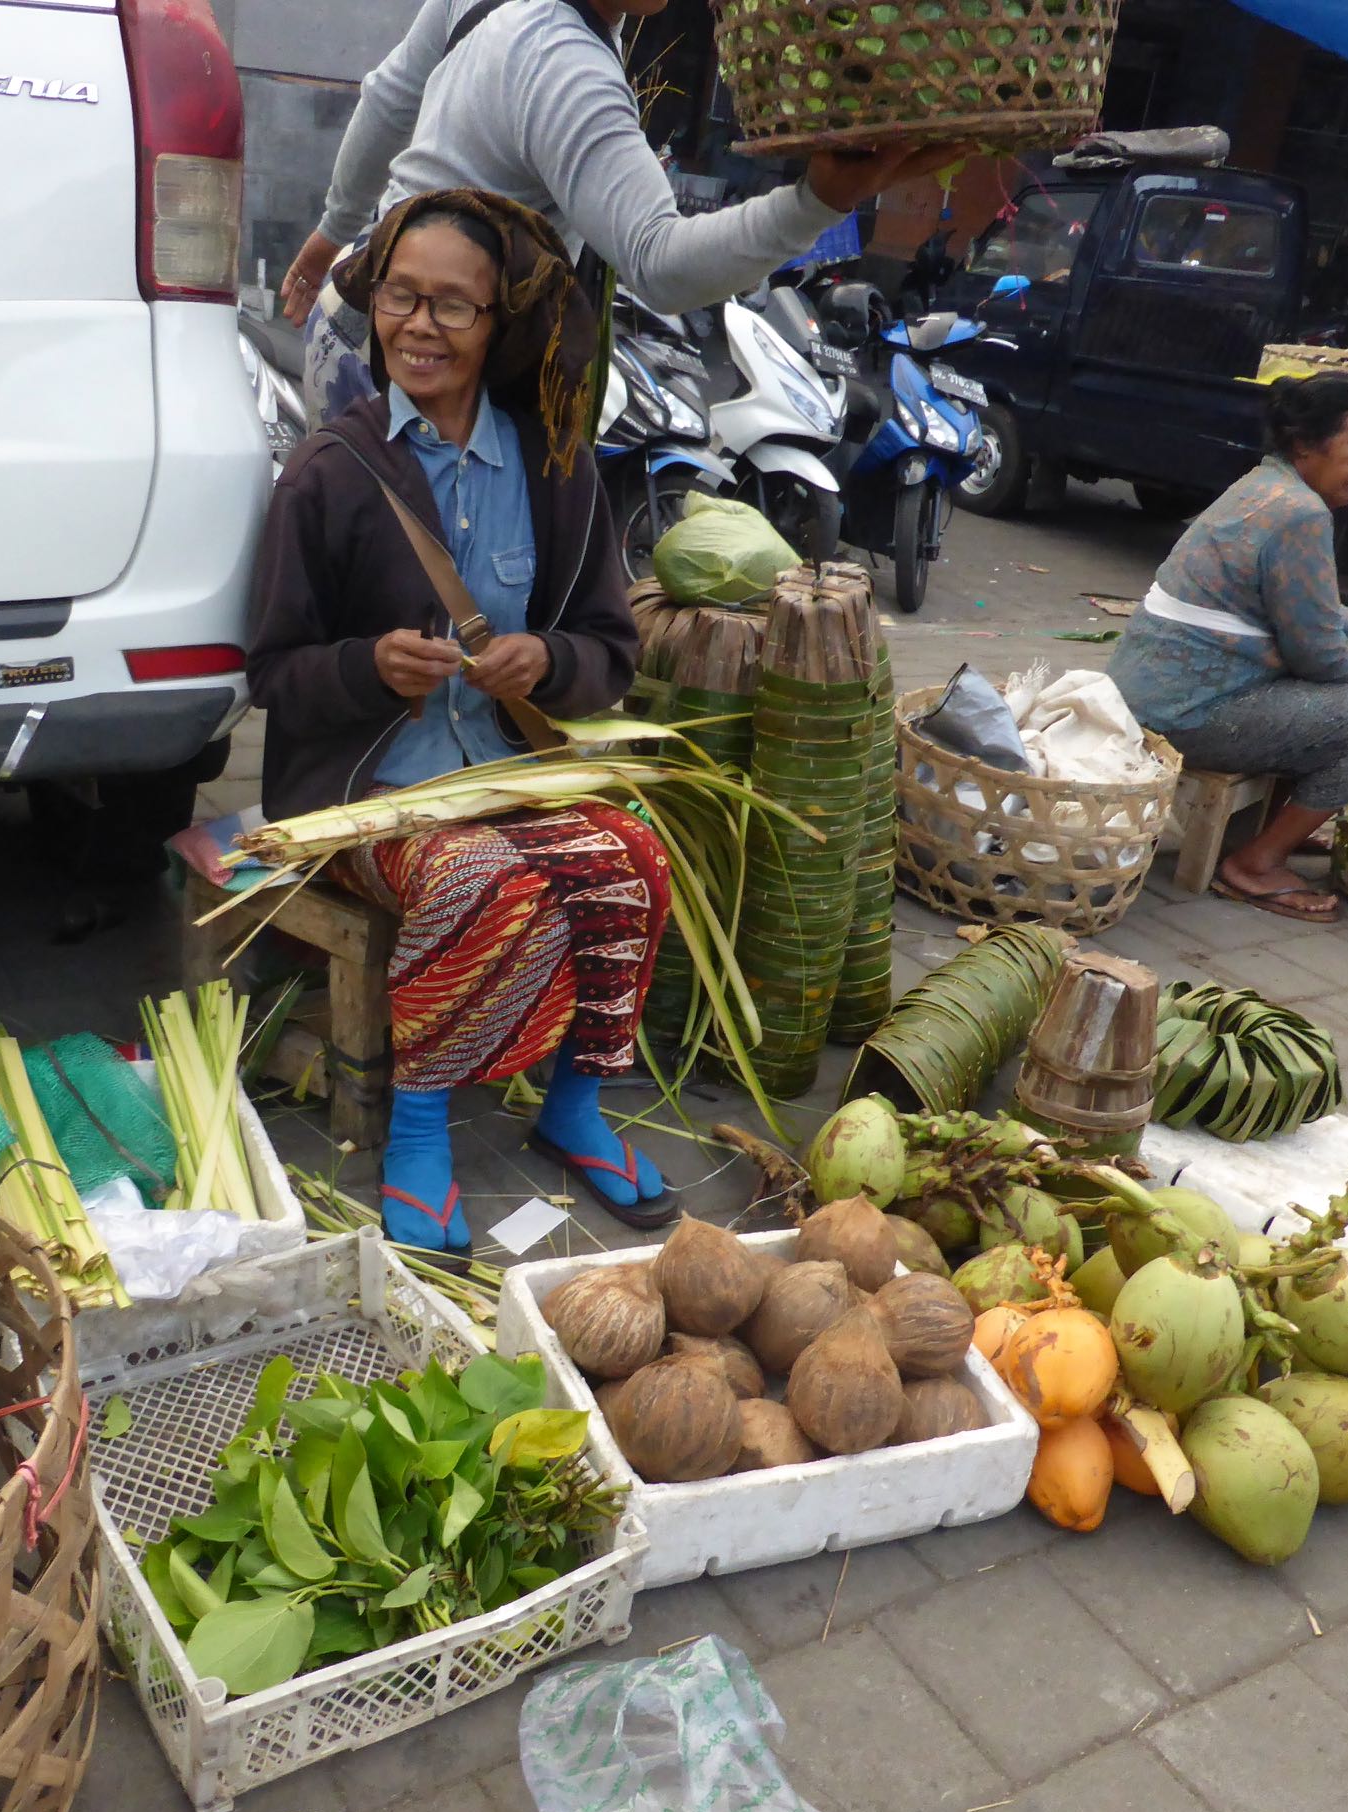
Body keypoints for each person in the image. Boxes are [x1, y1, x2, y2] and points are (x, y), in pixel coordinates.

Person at [249, 190, 679, 1250]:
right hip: (370, 797)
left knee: (633, 860)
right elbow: (272, 672)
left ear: (499, 326)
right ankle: (423, 1130)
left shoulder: (556, 468)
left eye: (453, 305)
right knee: (473, 879)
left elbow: (610, 652)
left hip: (506, 773)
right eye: (401, 296)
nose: (420, 326)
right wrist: (367, 669)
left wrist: (551, 659)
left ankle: (573, 1110)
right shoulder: (329, 473)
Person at [280, 0, 953, 425]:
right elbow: (658, 263)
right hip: (419, 379)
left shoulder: (558, 30)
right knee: (430, 632)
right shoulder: (564, 63)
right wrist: (817, 202)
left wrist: (331, 234)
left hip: (354, 318)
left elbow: (390, 98)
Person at [1107, 374, 1348, 924]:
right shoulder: (1299, 513)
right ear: (1306, 443)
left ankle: (1270, 829)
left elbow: (1314, 610)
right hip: (1186, 713)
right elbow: (1321, 656)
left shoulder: (1265, 485)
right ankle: (1256, 862)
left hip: (1150, 695)